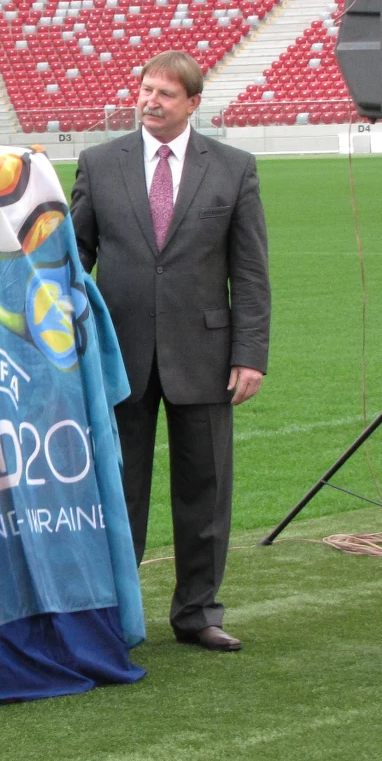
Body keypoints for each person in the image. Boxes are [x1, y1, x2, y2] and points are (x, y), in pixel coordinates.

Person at [69, 50, 270, 653]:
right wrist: (70, 337)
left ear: (192, 104)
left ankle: (198, 611)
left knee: (205, 490)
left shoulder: (234, 168)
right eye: (146, 90)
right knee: (119, 488)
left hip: (205, 355)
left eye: (165, 94)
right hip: (118, 353)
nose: (150, 102)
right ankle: (117, 611)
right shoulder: (99, 164)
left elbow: (251, 273)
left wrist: (250, 353)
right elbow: (73, 261)